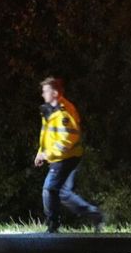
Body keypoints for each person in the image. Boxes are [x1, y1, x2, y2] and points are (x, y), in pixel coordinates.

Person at [34, 77, 104, 233]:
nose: (42, 94)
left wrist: (48, 155)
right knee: (64, 194)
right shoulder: (49, 110)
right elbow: (47, 137)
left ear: (55, 93)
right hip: (62, 156)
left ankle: (53, 225)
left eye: (45, 91)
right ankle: (95, 215)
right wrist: (41, 153)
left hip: (66, 157)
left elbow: (69, 139)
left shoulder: (65, 112)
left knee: (49, 189)